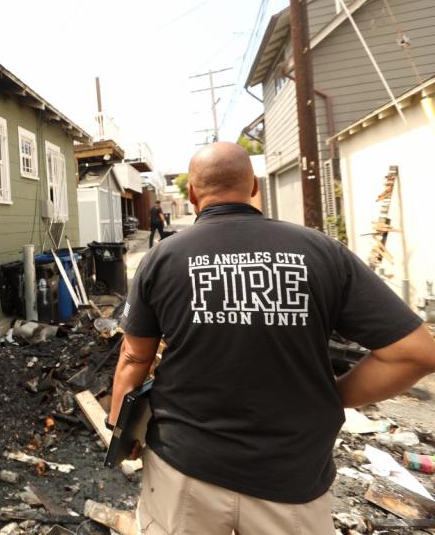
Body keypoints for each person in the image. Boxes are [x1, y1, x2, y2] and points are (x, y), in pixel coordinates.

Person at [108, 142, 435, 535]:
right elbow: (416, 354)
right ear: (253, 186)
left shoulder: (162, 259)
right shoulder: (322, 252)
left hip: (185, 471)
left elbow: (132, 359)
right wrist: (334, 394)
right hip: (293, 479)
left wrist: (120, 429)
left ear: (192, 194)